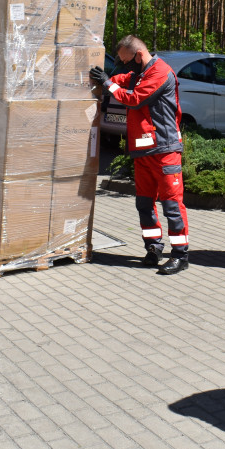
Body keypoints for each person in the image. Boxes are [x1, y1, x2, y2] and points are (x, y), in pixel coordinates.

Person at [90, 36, 190, 275]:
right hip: (143, 151)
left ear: (138, 55)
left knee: (172, 205)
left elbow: (134, 100)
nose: (125, 67)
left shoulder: (160, 73)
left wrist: (108, 85)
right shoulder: (138, 74)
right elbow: (118, 79)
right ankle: (153, 247)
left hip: (164, 150)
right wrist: (101, 78)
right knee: (144, 204)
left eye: (126, 61)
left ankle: (180, 255)